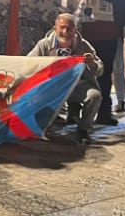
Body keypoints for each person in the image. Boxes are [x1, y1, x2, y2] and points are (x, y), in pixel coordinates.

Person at [27, 13, 102, 143]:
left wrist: (92, 64)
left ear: (75, 30)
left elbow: (100, 69)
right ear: (54, 28)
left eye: (69, 28)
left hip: (76, 86)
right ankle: (39, 127)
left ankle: (83, 130)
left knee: (94, 96)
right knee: (33, 96)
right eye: (62, 28)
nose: (65, 32)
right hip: (51, 86)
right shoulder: (43, 45)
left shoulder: (84, 46)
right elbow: (28, 63)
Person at [77, 0, 120, 126]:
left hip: (108, 31)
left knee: (105, 73)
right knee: (82, 72)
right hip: (84, 30)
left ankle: (104, 112)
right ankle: (78, 112)